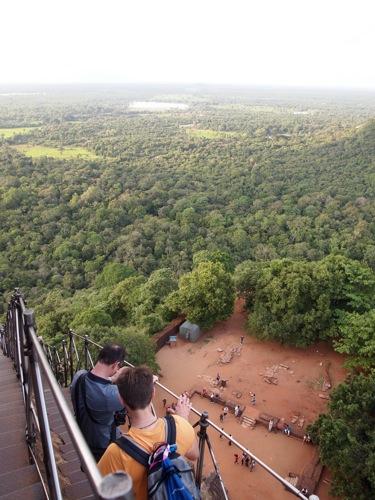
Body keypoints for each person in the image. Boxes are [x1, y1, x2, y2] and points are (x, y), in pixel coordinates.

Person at [98, 365, 199, 499]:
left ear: (121, 399)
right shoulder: (179, 425)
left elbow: (101, 490)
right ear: (153, 393)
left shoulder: (115, 453)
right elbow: (194, 454)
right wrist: (184, 419)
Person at [71, 343, 128, 462]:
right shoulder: (110, 395)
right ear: (116, 364)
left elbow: (95, 386)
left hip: (83, 437)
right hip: (103, 445)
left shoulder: (79, 376)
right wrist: (151, 379)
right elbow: (137, 391)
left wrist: (111, 379)